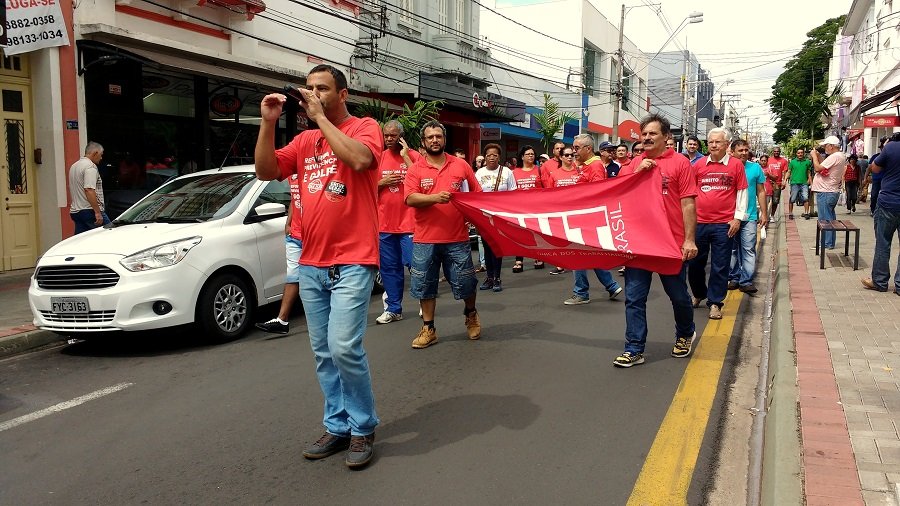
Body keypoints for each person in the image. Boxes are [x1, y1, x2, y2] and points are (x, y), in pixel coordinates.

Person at [254, 64, 380, 468]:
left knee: (344, 347)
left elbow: (360, 161)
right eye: (309, 89)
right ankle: (338, 425)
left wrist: (321, 117)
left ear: (342, 94)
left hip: (354, 259)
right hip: (311, 262)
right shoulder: (306, 140)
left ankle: (363, 427)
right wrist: (268, 123)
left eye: (322, 89)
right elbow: (266, 170)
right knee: (324, 352)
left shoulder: (364, 127)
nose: (313, 94)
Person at [613, 114, 698, 368]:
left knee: (679, 296)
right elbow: (617, 196)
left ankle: (685, 334)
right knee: (634, 297)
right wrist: (636, 173)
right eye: (644, 134)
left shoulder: (680, 163)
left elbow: (688, 203)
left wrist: (689, 240)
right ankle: (634, 348)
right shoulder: (632, 165)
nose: (647, 138)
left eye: (652, 134)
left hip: (670, 243)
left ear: (666, 137)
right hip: (640, 244)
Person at [405, 120, 482, 349]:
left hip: (457, 238)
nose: (435, 140)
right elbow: (410, 198)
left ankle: (471, 314)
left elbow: (476, 195)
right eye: (430, 137)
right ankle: (428, 329)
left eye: (438, 136)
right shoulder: (415, 169)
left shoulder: (460, 165)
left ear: (444, 139)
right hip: (425, 239)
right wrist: (434, 198)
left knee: (466, 281)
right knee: (425, 284)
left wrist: (471, 217)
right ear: (423, 142)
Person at [689, 127, 749, 320]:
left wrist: (738, 218)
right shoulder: (698, 165)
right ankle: (699, 293)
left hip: (724, 224)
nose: (714, 145)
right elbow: (689, 193)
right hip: (699, 223)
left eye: (718, 142)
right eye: (711, 142)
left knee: (720, 265)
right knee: (696, 263)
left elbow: (742, 192)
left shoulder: (736, 165)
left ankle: (715, 302)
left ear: (727, 144)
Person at [564, 134, 622, 305]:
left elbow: (595, 193)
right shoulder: (587, 166)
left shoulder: (595, 166)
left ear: (588, 149)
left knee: (578, 255)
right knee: (588, 254)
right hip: (584, 217)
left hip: (586, 218)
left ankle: (581, 292)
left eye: (576, 148)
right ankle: (611, 285)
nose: (573, 152)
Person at [374, 120, 420, 324]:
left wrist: (406, 157)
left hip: (409, 223)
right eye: (386, 136)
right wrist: (381, 183)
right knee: (389, 268)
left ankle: (424, 301)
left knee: (415, 264)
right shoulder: (378, 159)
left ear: (401, 136)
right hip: (384, 225)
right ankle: (394, 309)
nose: (389, 139)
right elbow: (364, 190)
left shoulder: (413, 157)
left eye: (393, 135)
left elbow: (422, 182)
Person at [256, 173, 303, 334]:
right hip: (295, 235)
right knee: (293, 276)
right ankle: (282, 320)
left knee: (320, 275)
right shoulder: (292, 175)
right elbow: (294, 201)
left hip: (315, 236)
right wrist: (288, 223)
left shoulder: (314, 169)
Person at [861, 133, 900, 294]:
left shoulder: (890, 147)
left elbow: (875, 168)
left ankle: (880, 281)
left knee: (883, 243)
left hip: (888, 202)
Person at [475, 143, 517, 292]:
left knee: (497, 246)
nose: (491, 157)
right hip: (484, 216)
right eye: (488, 155)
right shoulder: (479, 173)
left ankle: (497, 277)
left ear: (499, 156)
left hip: (500, 216)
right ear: (484, 157)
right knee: (487, 246)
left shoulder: (507, 172)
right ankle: (489, 277)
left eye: (495, 155)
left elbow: (513, 194)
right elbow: (475, 195)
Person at [728, 139, 767, 294]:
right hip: (730, 216)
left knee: (748, 248)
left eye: (746, 150)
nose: (744, 153)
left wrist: (764, 213)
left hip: (749, 216)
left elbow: (761, 191)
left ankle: (746, 281)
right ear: (732, 152)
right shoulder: (726, 167)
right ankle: (734, 278)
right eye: (740, 150)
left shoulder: (755, 168)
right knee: (732, 250)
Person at [542, 146, 580, 275]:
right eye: (567, 155)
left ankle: (578, 262)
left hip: (576, 212)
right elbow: (549, 195)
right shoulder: (554, 175)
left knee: (576, 239)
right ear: (561, 157)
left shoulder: (579, 172)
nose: (570, 157)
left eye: (572, 155)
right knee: (560, 239)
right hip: (560, 212)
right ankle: (560, 265)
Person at [511, 145, 545, 273]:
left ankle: (538, 257)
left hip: (536, 208)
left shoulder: (540, 170)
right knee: (520, 235)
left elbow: (545, 188)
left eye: (532, 154)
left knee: (536, 234)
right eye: (528, 154)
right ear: (522, 157)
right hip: (520, 209)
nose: (531, 156)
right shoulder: (514, 172)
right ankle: (519, 260)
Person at [810, 136, 848, 250]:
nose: (824, 148)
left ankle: (827, 243)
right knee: (829, 218)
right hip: (830, 191)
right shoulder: (838, 156)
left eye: (825, 146)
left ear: (831, 146)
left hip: (826, 191)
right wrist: (818, 157)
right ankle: (829, 242)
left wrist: (813, 157)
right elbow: (824, 166)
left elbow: (817, 168)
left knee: (825, 219)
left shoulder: (835, 156)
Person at [68, 141, 111, 234]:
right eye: (101, 154)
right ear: (95, 153)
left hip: (76, 211)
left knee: (81, 242)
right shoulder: (90, 167)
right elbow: (89, 189)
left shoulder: (74, 166)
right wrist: (97, 212)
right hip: (89, 210)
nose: (101, 158)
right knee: (109, 235)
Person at [787, 148, 813, 220]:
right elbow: (789, 172)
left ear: (804, 153)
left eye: (801, 153)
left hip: (804, 183)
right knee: (792, 199)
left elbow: (809, 173)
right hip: (794, 183)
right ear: (796, 154)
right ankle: (790, 213)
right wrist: (784, 180)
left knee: (805, 198)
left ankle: (806, 213)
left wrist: (811, 183)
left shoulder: (807, 162)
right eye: (799, 153)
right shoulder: (792, 162)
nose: (800, 154)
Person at [765, 146, 789, 220]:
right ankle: (765, 216)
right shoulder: (768, 160)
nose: (776, 152)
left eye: (778, 151)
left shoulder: (784, 161)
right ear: (773, 152)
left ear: (780, 152)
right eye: (775, 151)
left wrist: (784, 181)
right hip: (768, 183)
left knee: (775, 201)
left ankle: (772, 215)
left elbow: (786, 171)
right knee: (766, 201)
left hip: (777, 184)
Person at [870, 137, 888, 216]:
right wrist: (866, 176)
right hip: (876, 179)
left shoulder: (890, 157)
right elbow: (870, 168)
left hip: (886, 179)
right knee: (874, 195)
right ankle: (873, 209)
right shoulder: (876, 156)